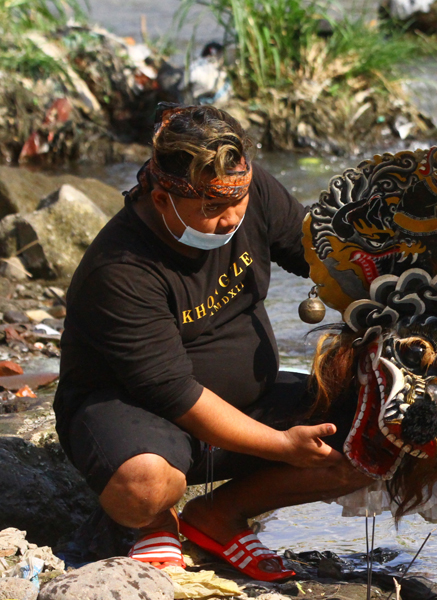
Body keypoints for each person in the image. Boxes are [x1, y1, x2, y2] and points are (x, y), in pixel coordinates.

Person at [54, 104, 371, 581]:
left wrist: (388, 286)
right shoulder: (119, 270)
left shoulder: (250, 189)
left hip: (252, 400)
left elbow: (320, 256)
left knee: (384, 435)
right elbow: (174, 394)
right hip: (139, 414)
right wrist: (282, 446)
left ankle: (219, 515)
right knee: (143, 486)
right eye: (211, 209)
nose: (229, 220)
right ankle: (157, 520)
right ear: (161, 199)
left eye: (236, 203)